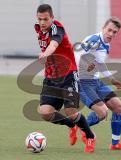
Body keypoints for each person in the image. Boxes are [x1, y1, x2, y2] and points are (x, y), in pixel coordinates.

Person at [35, 4, 95, 153]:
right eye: (40, 19)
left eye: (46, 19)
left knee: (71, 111)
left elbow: (53, 45)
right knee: (45, 113)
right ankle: (71, 125)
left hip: (68, 75)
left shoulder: (57, 28)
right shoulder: (39, 29)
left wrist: (45, 54)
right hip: (50, 78)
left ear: (52, 18)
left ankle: (89, 136)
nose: (42, 22)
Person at [77, 17, 121, 151]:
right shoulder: (94, 40)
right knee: (103, 113)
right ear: (103, 28)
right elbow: (76, 55)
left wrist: (112, 79)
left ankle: (115, 144)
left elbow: (100, 64)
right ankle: (79, 125)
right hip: (83, 82)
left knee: (119, 107)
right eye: (109, 30)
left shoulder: (106, 44)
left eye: (114, 32)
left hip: (96, 81)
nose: (111, 34)